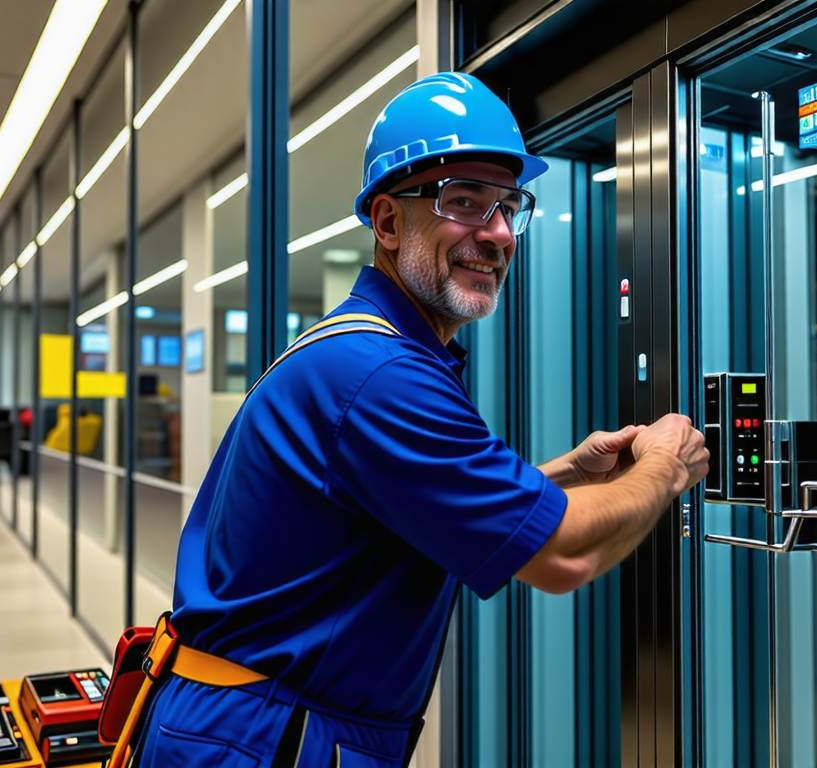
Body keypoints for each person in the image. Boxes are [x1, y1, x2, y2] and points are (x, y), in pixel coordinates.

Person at [131, 72, 708, 768]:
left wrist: (559, 473)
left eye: (508, 206)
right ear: (387, 221)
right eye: (463, 202)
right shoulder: (380, 376)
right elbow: (565, 557)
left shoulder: (368, 347)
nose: (496, 234)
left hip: (251, 719)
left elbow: (396, 509)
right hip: (262, 738)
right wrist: (665, 467)